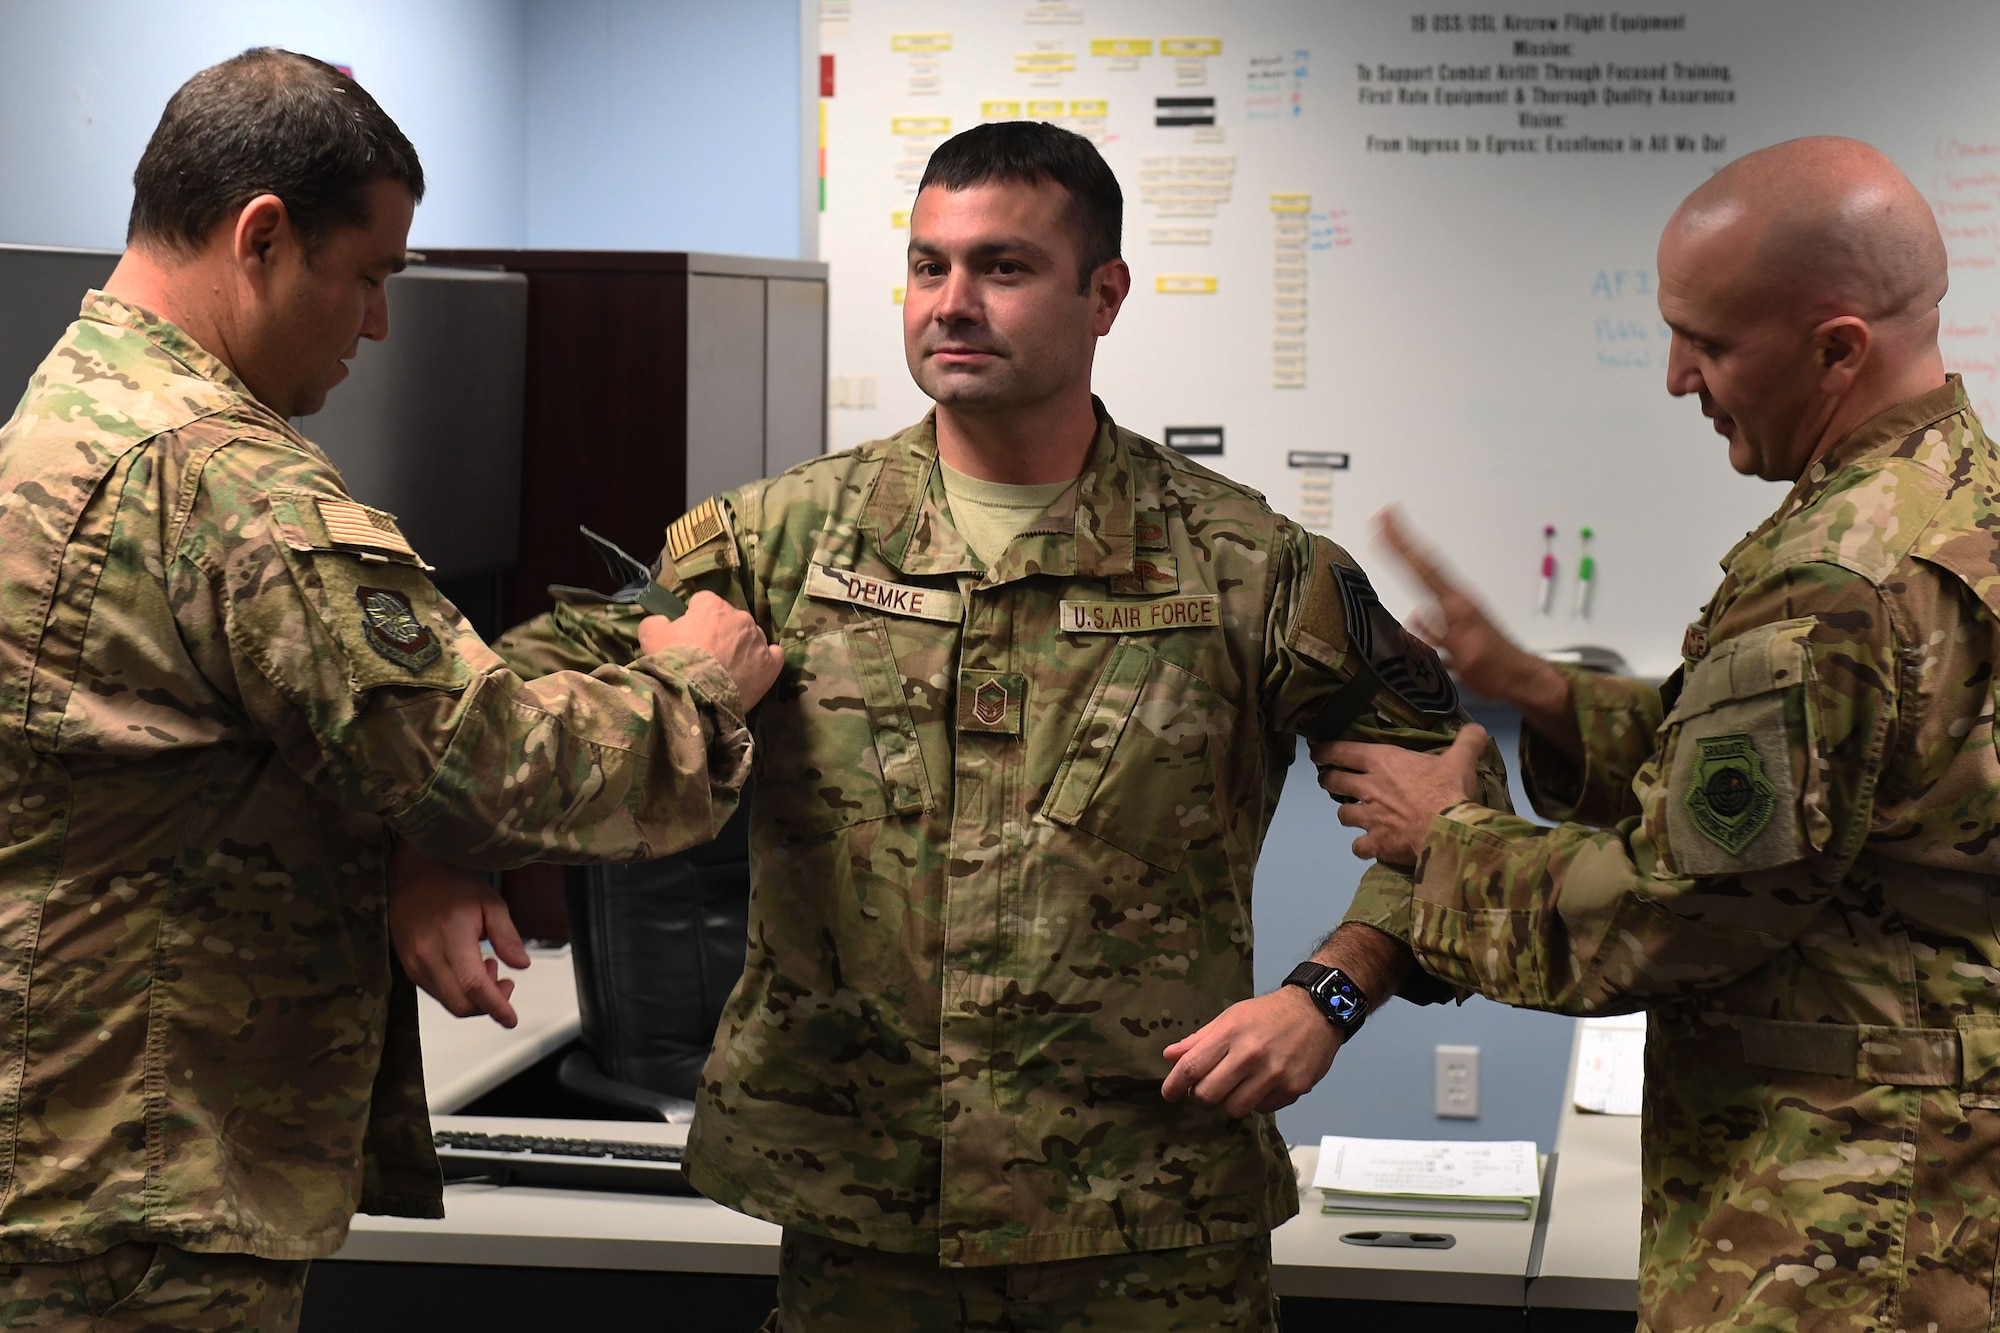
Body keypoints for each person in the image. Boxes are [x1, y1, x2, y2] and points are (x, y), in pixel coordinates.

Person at [483, 119, 1506, 1331]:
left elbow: (1457, 814)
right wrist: (438, 855)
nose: (952, 302)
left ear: (1103, 294)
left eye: (1003, 268)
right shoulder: (780, 542)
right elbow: (511, 711)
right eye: (929, 266)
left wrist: (1326, 997)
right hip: (862, 1216)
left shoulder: (1245, 566)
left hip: (1146, 1213)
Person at [0, 49, 779, 1331]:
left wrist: (402, 851)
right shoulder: (231, 486)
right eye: (366, 276)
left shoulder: (72, 408)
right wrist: (695, 687)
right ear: (262, 237)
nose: (375, 323)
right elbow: (489, 770)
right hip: (147, 1184)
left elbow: (236, 746)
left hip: (71, 1135)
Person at [1312, 137, 2000, 1332]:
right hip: (1939, 1188)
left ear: (1836, 346)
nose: (1678, 377)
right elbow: (1838, 785)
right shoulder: (1960, 502)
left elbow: (1667, 915)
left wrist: (1444, 833)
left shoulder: (1831, 581)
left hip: (1836, 1234)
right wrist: (1540, 688)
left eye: (1712, 343)